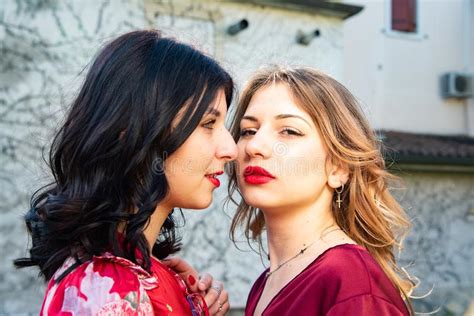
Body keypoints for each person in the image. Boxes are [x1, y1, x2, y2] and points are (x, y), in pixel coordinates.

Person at [14, 29, 238, 315]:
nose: (231, 148)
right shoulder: (107, 290)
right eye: (208, 123)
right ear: (133, 132)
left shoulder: (138, 278)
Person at [226, 66, 416, 315]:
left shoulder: (352, 283)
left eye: (289, 131)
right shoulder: (266, 283)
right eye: (248, 131)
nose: (255, 146)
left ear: (338, 167)